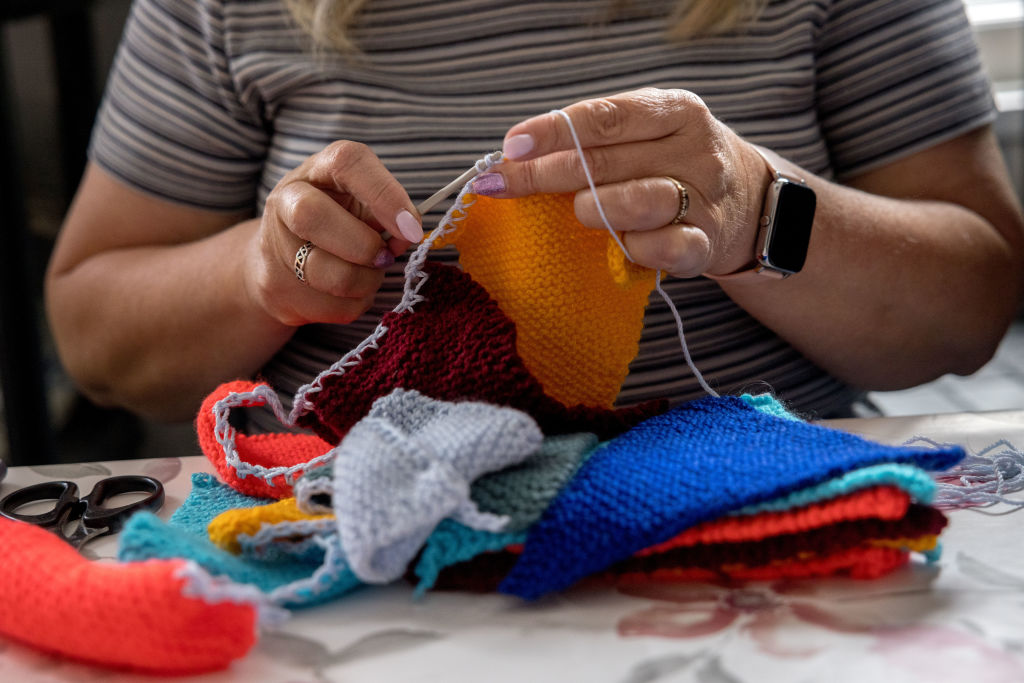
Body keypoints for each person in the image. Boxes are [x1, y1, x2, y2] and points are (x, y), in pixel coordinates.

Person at [45, 0, 1024, 428]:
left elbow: (973, 301)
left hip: (759, 533)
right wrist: (259, 275)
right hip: (350, 544)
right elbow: (96, 335)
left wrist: (760, 210)